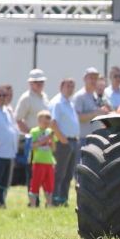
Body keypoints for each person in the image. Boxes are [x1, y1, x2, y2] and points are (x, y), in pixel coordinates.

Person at [49, 78, 79, 206]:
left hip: (73, 141)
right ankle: (55, 200)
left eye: (72, 86)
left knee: (68, 174)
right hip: (63, 142)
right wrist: (63, 140)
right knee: (59, 174)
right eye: (68, 86)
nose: (71, 88)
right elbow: (53, 123)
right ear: (61, 86)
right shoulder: (57, 102)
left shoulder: (69, 103)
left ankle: (63, 199)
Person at [74, 67, 111, 148]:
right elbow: (77, 118)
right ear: (84, 79)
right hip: (84, 139)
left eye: (95, 78)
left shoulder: (96, 95)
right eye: (91, 78)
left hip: (96, 138)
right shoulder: (80, 96)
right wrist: (95, 113)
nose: (93, 81)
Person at [28, 110, 57, 207]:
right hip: (38, 162)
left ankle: (49, 204)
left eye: (48, 123)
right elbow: (32, 146)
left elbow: (53, 148)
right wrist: (46, 138)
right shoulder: (34, 131)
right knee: (35, 184)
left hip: (49, 162)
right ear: (39, 121)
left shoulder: (50, 132)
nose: (46, 125)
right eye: (45, 122)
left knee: (49, 185)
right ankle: (32, 205)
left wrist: (51, 139)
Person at [15, 69, 50, 133]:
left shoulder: (45, 96)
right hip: (33, 138)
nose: (39, 84)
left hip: (45, 136)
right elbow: (18, 120)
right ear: (30, 83)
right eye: (36, 82)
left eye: (41, 81)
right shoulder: (26, 98)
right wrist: (31, 135)